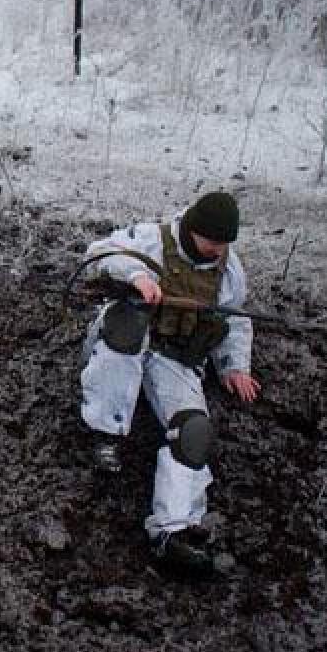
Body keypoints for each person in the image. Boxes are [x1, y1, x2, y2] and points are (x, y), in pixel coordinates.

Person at [78, 191, 261, 576]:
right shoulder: (150, 238)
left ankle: (172, 530)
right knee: (126, 328)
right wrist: (137, 275)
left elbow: (235, 319)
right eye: (212, 241)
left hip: (176, 359)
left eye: (224, 243)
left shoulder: (228, 270)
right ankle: (106, 434)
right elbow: (98, 254)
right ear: (193, 230)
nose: (218, 250)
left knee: (194, 432)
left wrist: (234, 366)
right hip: (129, 339)